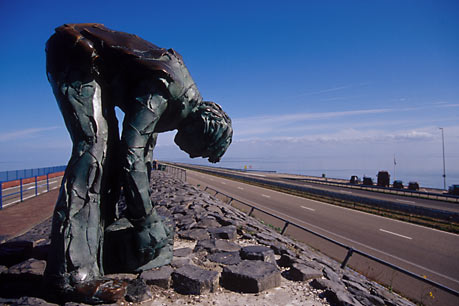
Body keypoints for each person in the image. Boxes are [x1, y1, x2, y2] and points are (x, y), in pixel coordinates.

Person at [44, 23, 232, 290]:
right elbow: (132, 153)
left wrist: (143, 215)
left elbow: (142, 155)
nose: (192, 154)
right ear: (203, 132)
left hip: (91, 63)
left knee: (107, 154)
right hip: (76, 53)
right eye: (200, 150)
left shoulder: (175, 109)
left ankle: (95, 246)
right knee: (94, 148)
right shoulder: (169, 89)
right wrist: (144, 220)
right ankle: (71, 276)